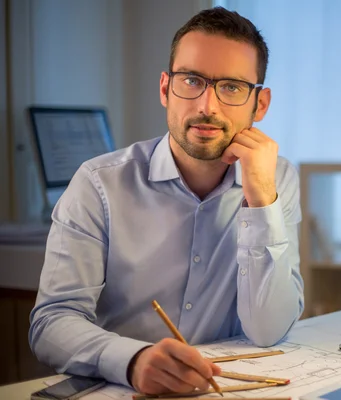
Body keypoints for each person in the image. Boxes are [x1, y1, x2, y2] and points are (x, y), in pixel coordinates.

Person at [29, 6, 304, 396]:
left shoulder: (278, 179)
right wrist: (133, 360)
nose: (207, 106)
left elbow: (268, 330)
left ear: (259, 104)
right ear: (164, 88)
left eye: (231, 87)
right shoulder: (98, 183)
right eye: (192, 80)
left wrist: (261, 201)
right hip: (123, 390)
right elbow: (51, 323)